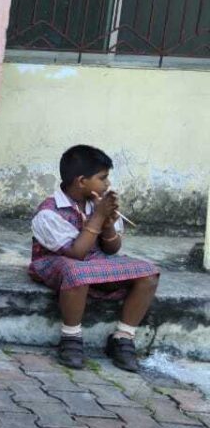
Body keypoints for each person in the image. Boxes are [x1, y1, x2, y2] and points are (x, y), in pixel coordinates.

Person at [29, 145, 159, 373]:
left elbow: (112, 249)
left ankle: (123, 337)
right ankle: (71, 337)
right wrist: (98, 217)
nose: (107, 184)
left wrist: (107, 223)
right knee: (78, 272)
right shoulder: (49, 212)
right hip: (59, 262)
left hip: (95, 262)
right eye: (102, 178)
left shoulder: (97, 204)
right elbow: (76, 253)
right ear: (81, 181)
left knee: (149, 273)